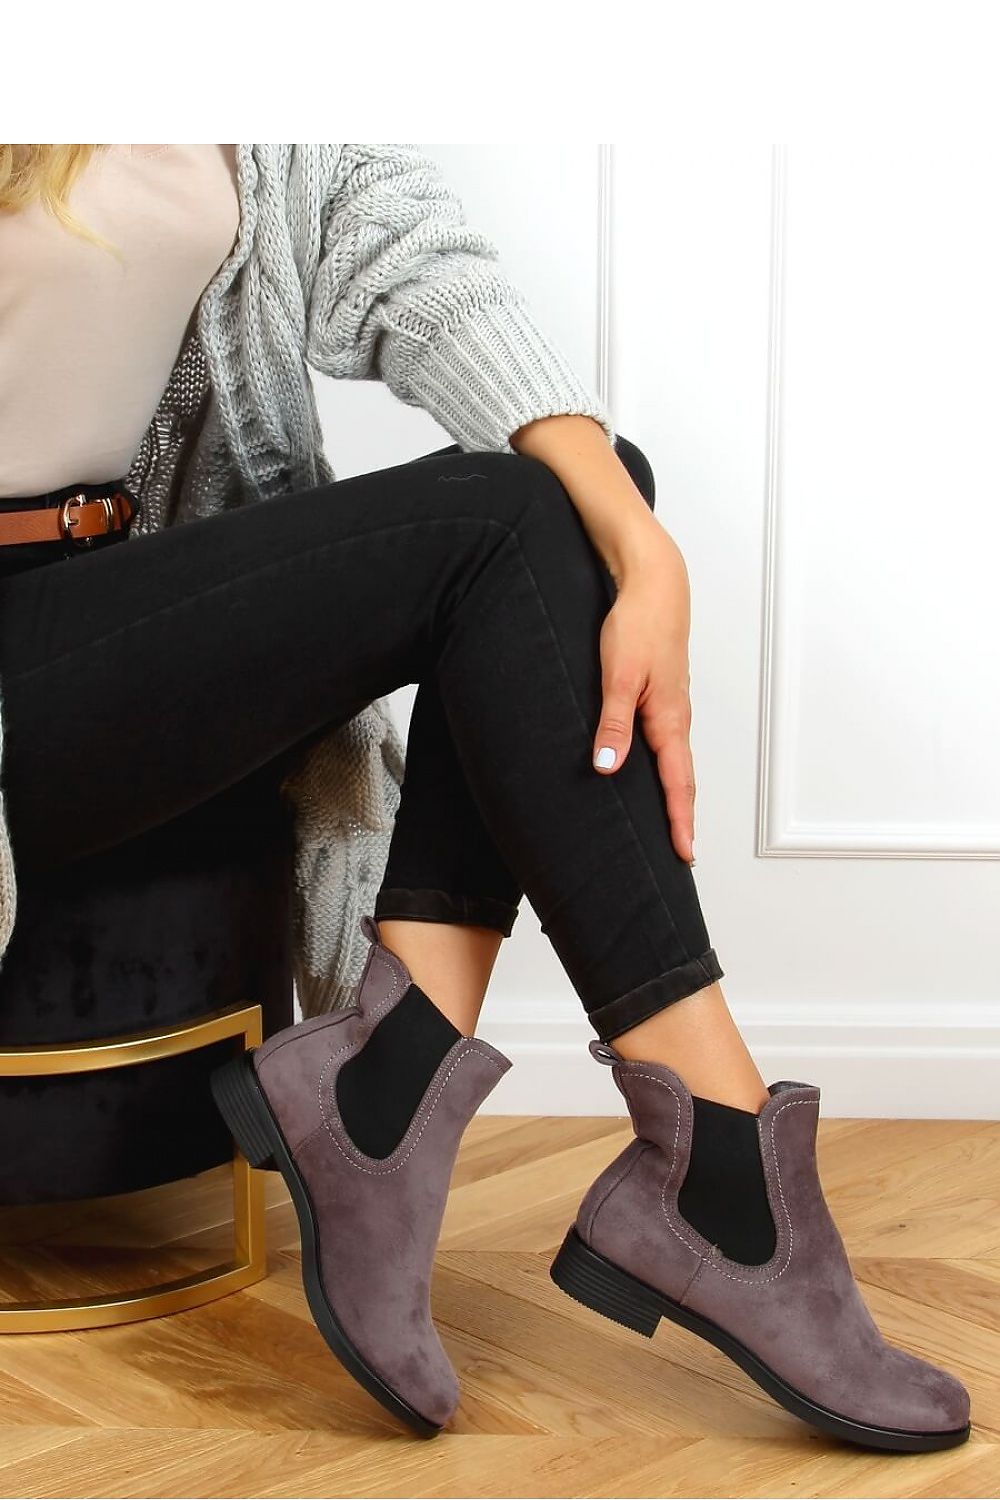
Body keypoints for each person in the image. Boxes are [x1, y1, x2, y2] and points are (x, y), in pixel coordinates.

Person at [0, 143, 970, 1453]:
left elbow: (413, 259)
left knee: (580, 494)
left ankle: (398, 1086)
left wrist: (642, 545)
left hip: (118, 606)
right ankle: (707, 1164)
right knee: (520, 526)